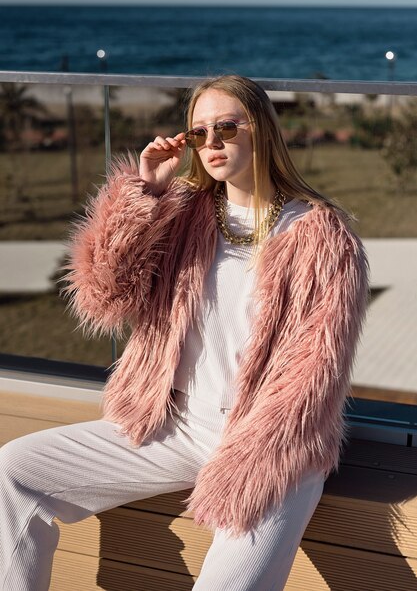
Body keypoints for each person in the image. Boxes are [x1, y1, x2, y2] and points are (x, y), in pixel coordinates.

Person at [0, 75, 369, 590]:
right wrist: (145, 191)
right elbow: (105, 296)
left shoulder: (322, 237)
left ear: (261, 128)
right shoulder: (183, 213)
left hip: (269, 446)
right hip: (174, 424)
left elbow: (313, 377)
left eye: (226, 127)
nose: (212, 143)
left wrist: (247, 459)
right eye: (199, 133)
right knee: (14, 470)